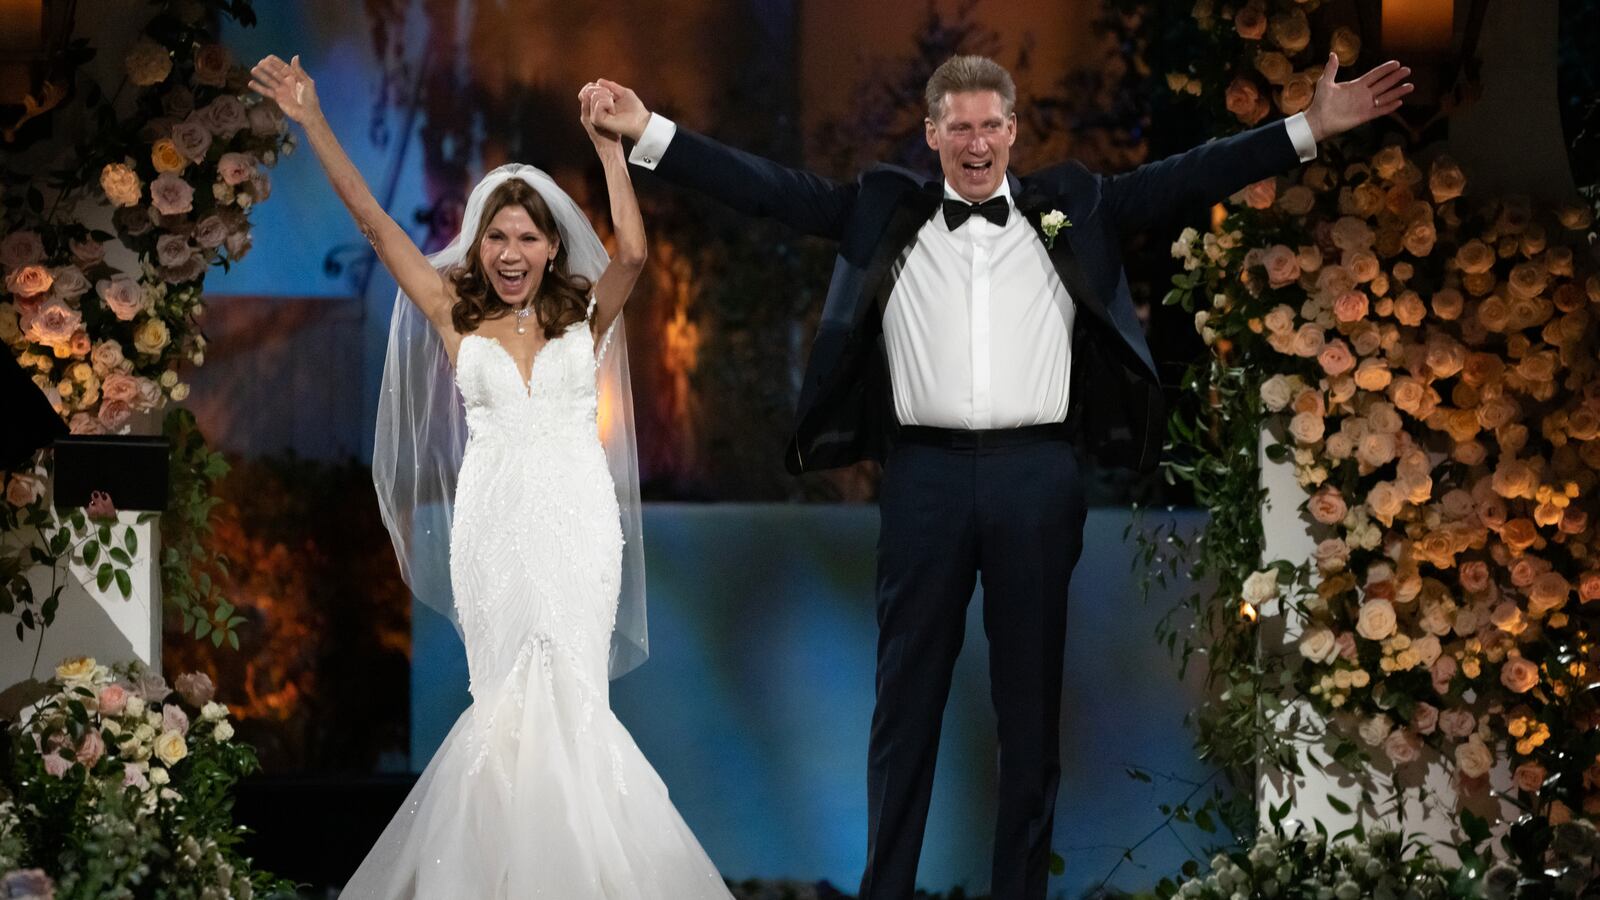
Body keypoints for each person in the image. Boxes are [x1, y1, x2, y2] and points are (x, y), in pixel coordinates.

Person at [584, 52, 1412, 900]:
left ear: (1012, 131)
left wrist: (1311, 126)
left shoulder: (1072, 207)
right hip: (923, 480)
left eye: (991, 126)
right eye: (961, 127)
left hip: (1035, 478)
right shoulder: (886, 209)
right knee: (904, 707)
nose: (977, 143)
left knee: (1029, 712)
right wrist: (647, 130)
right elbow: (766, 188)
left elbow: (1189, 175)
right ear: (933, 134)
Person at [249, 54, 733, 898]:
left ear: (552, 246)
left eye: (528, 237)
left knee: (572, 700)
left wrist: (611, 149)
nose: (511, 252)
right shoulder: (451, 311)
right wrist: (313, 120)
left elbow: (635, 255)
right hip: (493, 526)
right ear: (480, 245)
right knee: (506, 706)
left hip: (579, 525)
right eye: (498, 237)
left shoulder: (586, 312)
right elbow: (372, 224)